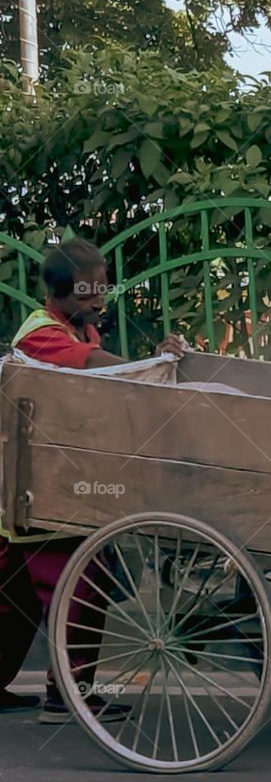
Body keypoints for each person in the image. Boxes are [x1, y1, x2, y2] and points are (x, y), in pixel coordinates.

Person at [0, 237, 188, 722]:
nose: (98, 301)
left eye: (101, 289)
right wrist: (154, 367)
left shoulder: (81, 331)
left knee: (14, 602)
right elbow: (96, 370)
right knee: (78, 586)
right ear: (58, 294)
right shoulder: (39, 335)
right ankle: (68, 695)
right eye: (86, 293)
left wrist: (157, 360)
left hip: (50, 481)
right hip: (36, 491)